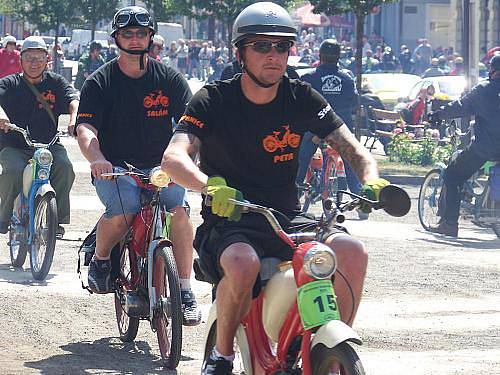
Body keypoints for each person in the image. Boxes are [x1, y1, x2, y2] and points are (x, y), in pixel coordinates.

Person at [161, 3, 388, 373]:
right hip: (232, 219)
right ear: (240, 53)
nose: (273, 55)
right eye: (261, 46)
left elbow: (353, 149)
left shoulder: (301, 97)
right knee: (242, 262)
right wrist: (209, 186)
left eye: (282, 47)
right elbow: (173, 158)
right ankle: (221, 355)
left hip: (287, 217)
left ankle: (328, 349)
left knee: (351, 250)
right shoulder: (213, 99)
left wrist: (371, 176)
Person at [75, 6, 201, 325]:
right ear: (116, 38)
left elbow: (190, 125)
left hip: (162, 168)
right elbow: (86, 129)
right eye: (127, 34)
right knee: (125, 210)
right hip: (116, 168)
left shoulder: (169, 78)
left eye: (140, 34)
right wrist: (97, 159)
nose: (134, 40)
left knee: (180, 214)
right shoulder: (99, 81)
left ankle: (184, 290)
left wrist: (187, 158)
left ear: (150, 37)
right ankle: (102, 258)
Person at [0, 36, 78, 236]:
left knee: (65, 167)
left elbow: (73, 100)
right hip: (15, 144)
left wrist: (73, 120)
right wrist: (2, 117)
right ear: (21, 60)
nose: (34, 63)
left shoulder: (57, 82)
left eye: (39, 58)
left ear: (47, 60)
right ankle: (4, 215)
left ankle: (56, 220)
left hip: (48, 144)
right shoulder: (10, 83)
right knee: (14, 171)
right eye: (29, 58)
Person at [427, 54, 500, 237]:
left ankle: (449, 225)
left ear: (493, 70)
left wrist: (437, 115)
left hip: (486, 149)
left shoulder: (485, 89)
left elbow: (460, 106)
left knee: (452, 175)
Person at [296, 39, 365, 217]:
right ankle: (361, 201)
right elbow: (354, 102)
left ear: (320, 56)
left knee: (301, 159)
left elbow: (299, 105)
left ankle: (293, 194)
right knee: (351, 162)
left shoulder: (308, 77)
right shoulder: (347, 78)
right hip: (341, 130)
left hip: (315, 129)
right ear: (338, 57)